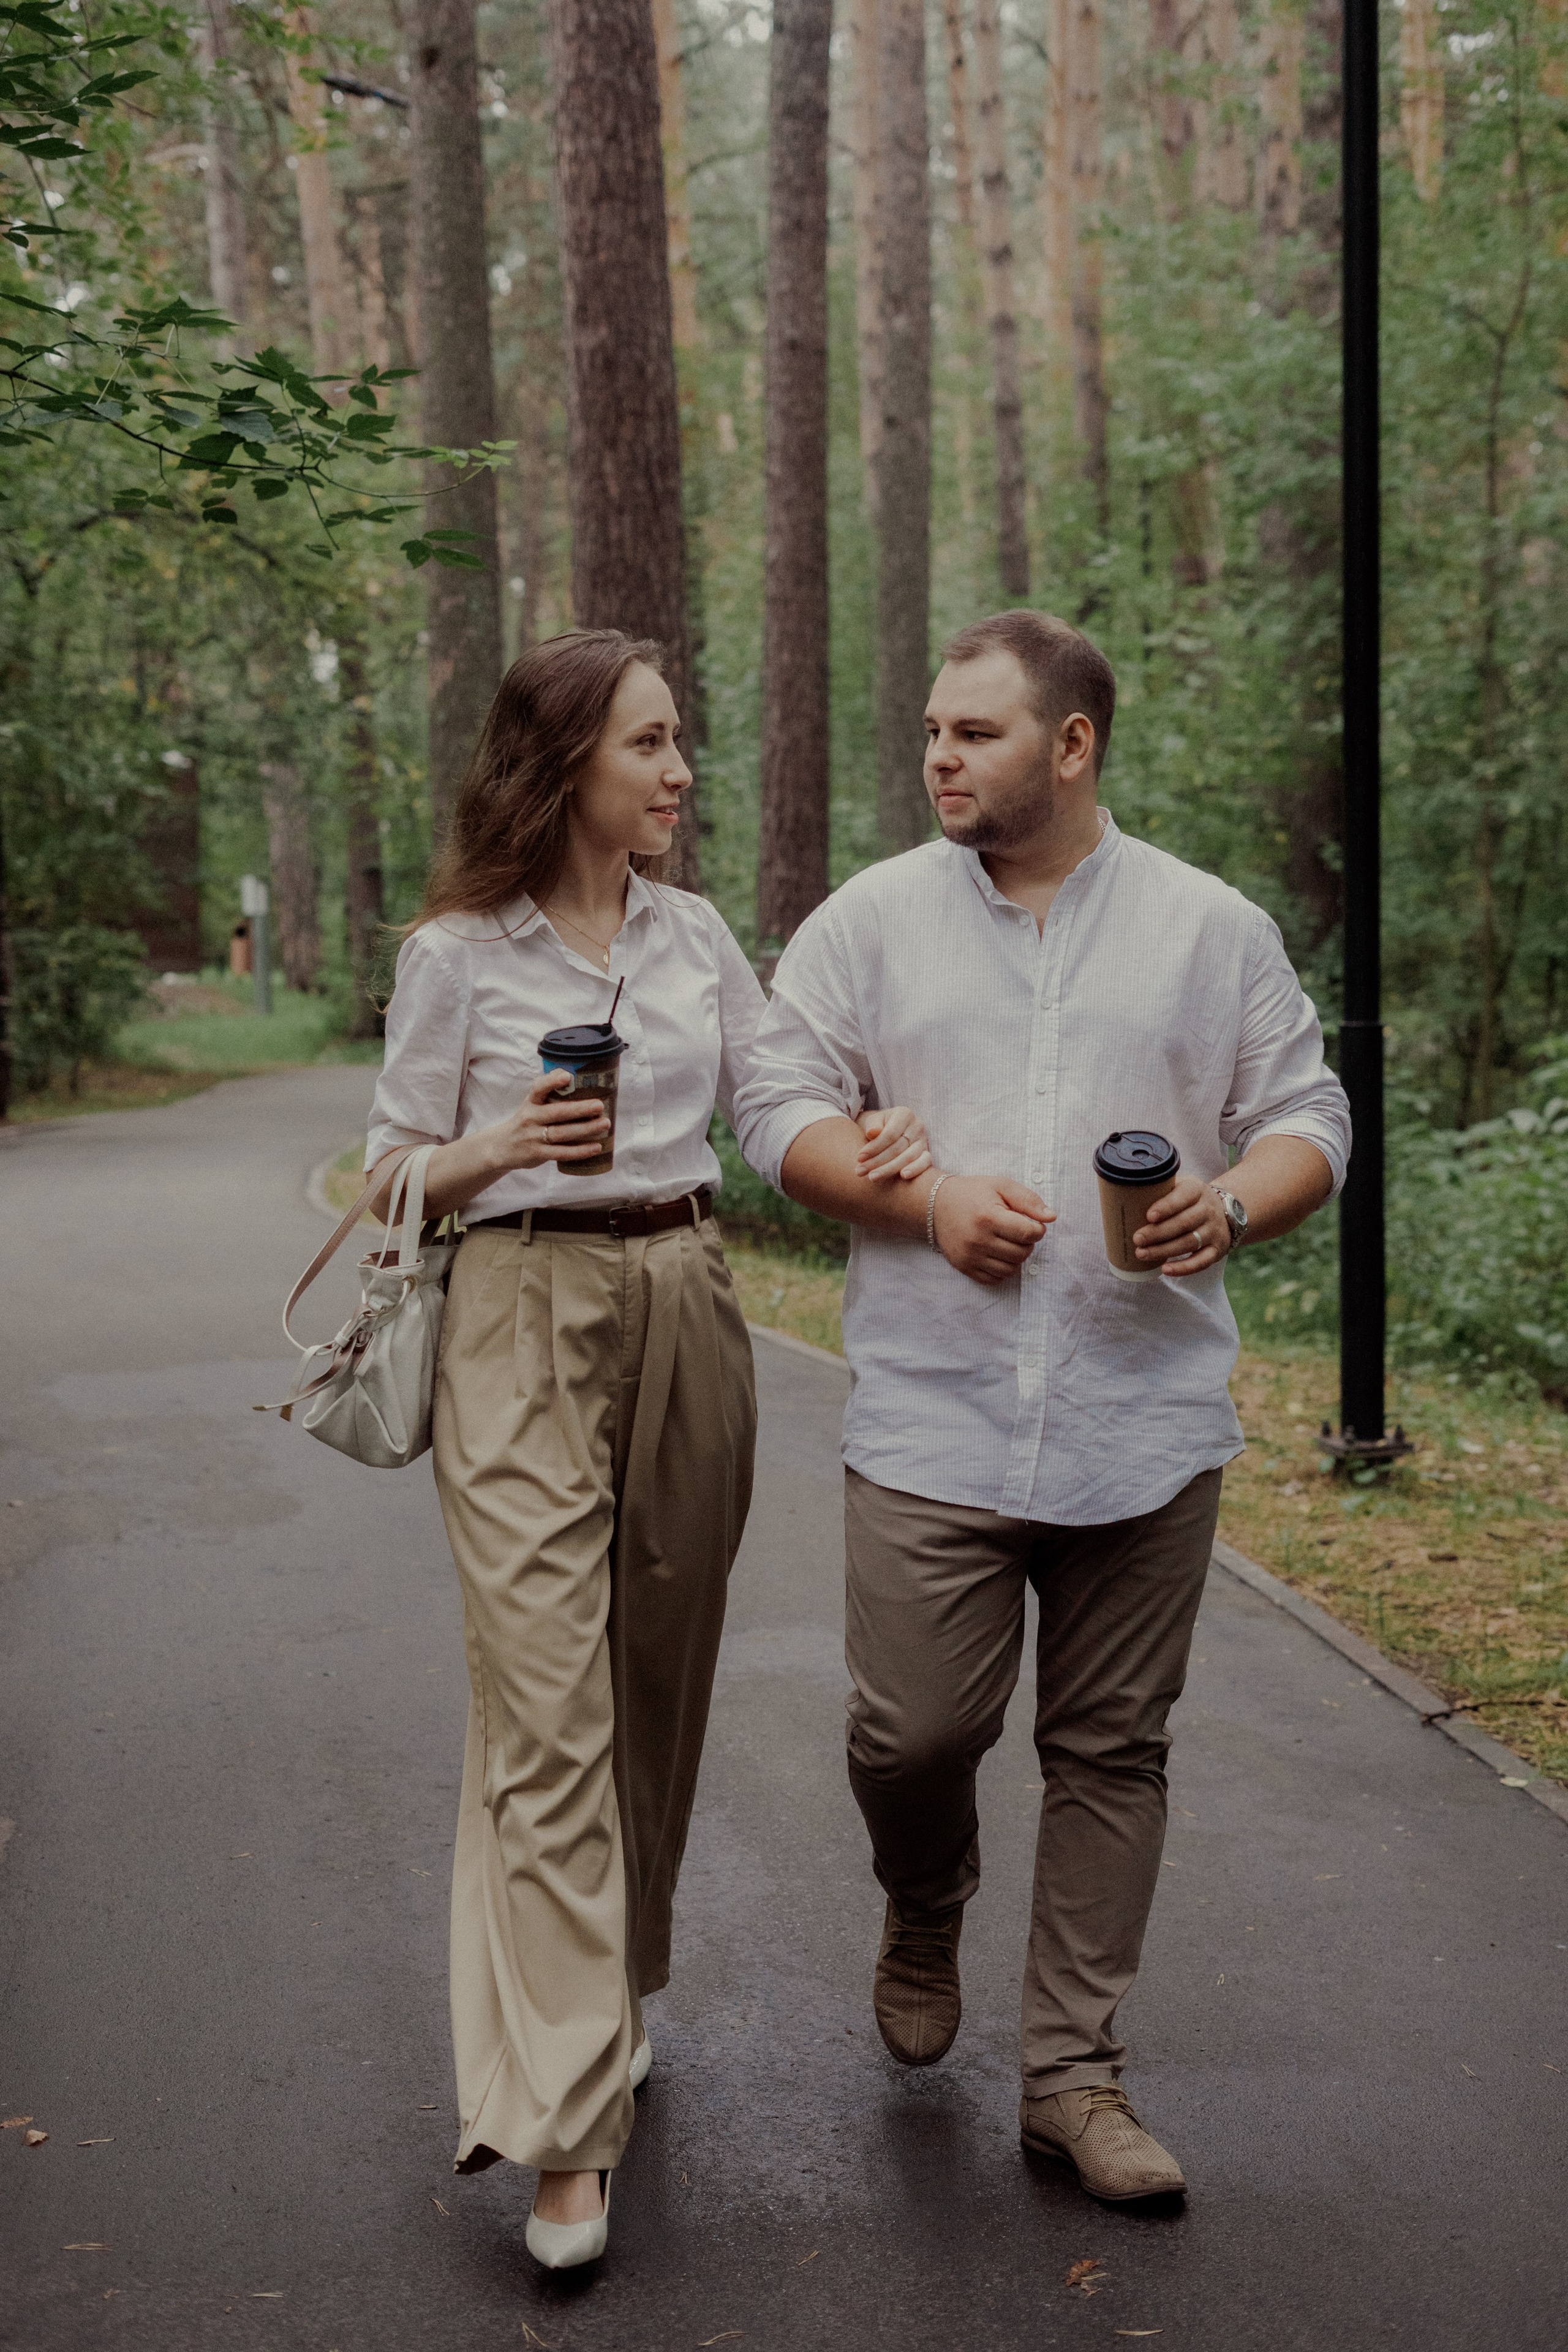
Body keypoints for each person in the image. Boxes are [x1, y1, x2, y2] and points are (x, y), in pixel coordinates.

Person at [733, 608, 1351, 2204]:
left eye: (977, 731)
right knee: (913, 1728)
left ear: (1072, 745)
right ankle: (924, 1895)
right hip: (935, 1414)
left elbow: (1310, 1115)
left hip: (1141, 1414)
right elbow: (774, 1100)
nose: (940, 753)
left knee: (1112, 1752)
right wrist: (909, 1203)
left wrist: (1234, 1203)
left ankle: (1076, 2080)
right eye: (936, 729)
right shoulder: (868, 923)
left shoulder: (1211, 930)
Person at [363, 628, 930, 2271]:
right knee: (544, 1707)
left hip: (689, 1297)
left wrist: (872, 1131)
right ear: (564, 767)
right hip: (517, 1311)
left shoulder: (691, 936)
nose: (680, 771)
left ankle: (606, 1987)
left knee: (653, 1683)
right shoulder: (458, 954)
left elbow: (767, 1102)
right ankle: (560, 2127)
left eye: (681, 741)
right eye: (651, 744)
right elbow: (385, 1176)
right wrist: (497, 1145)